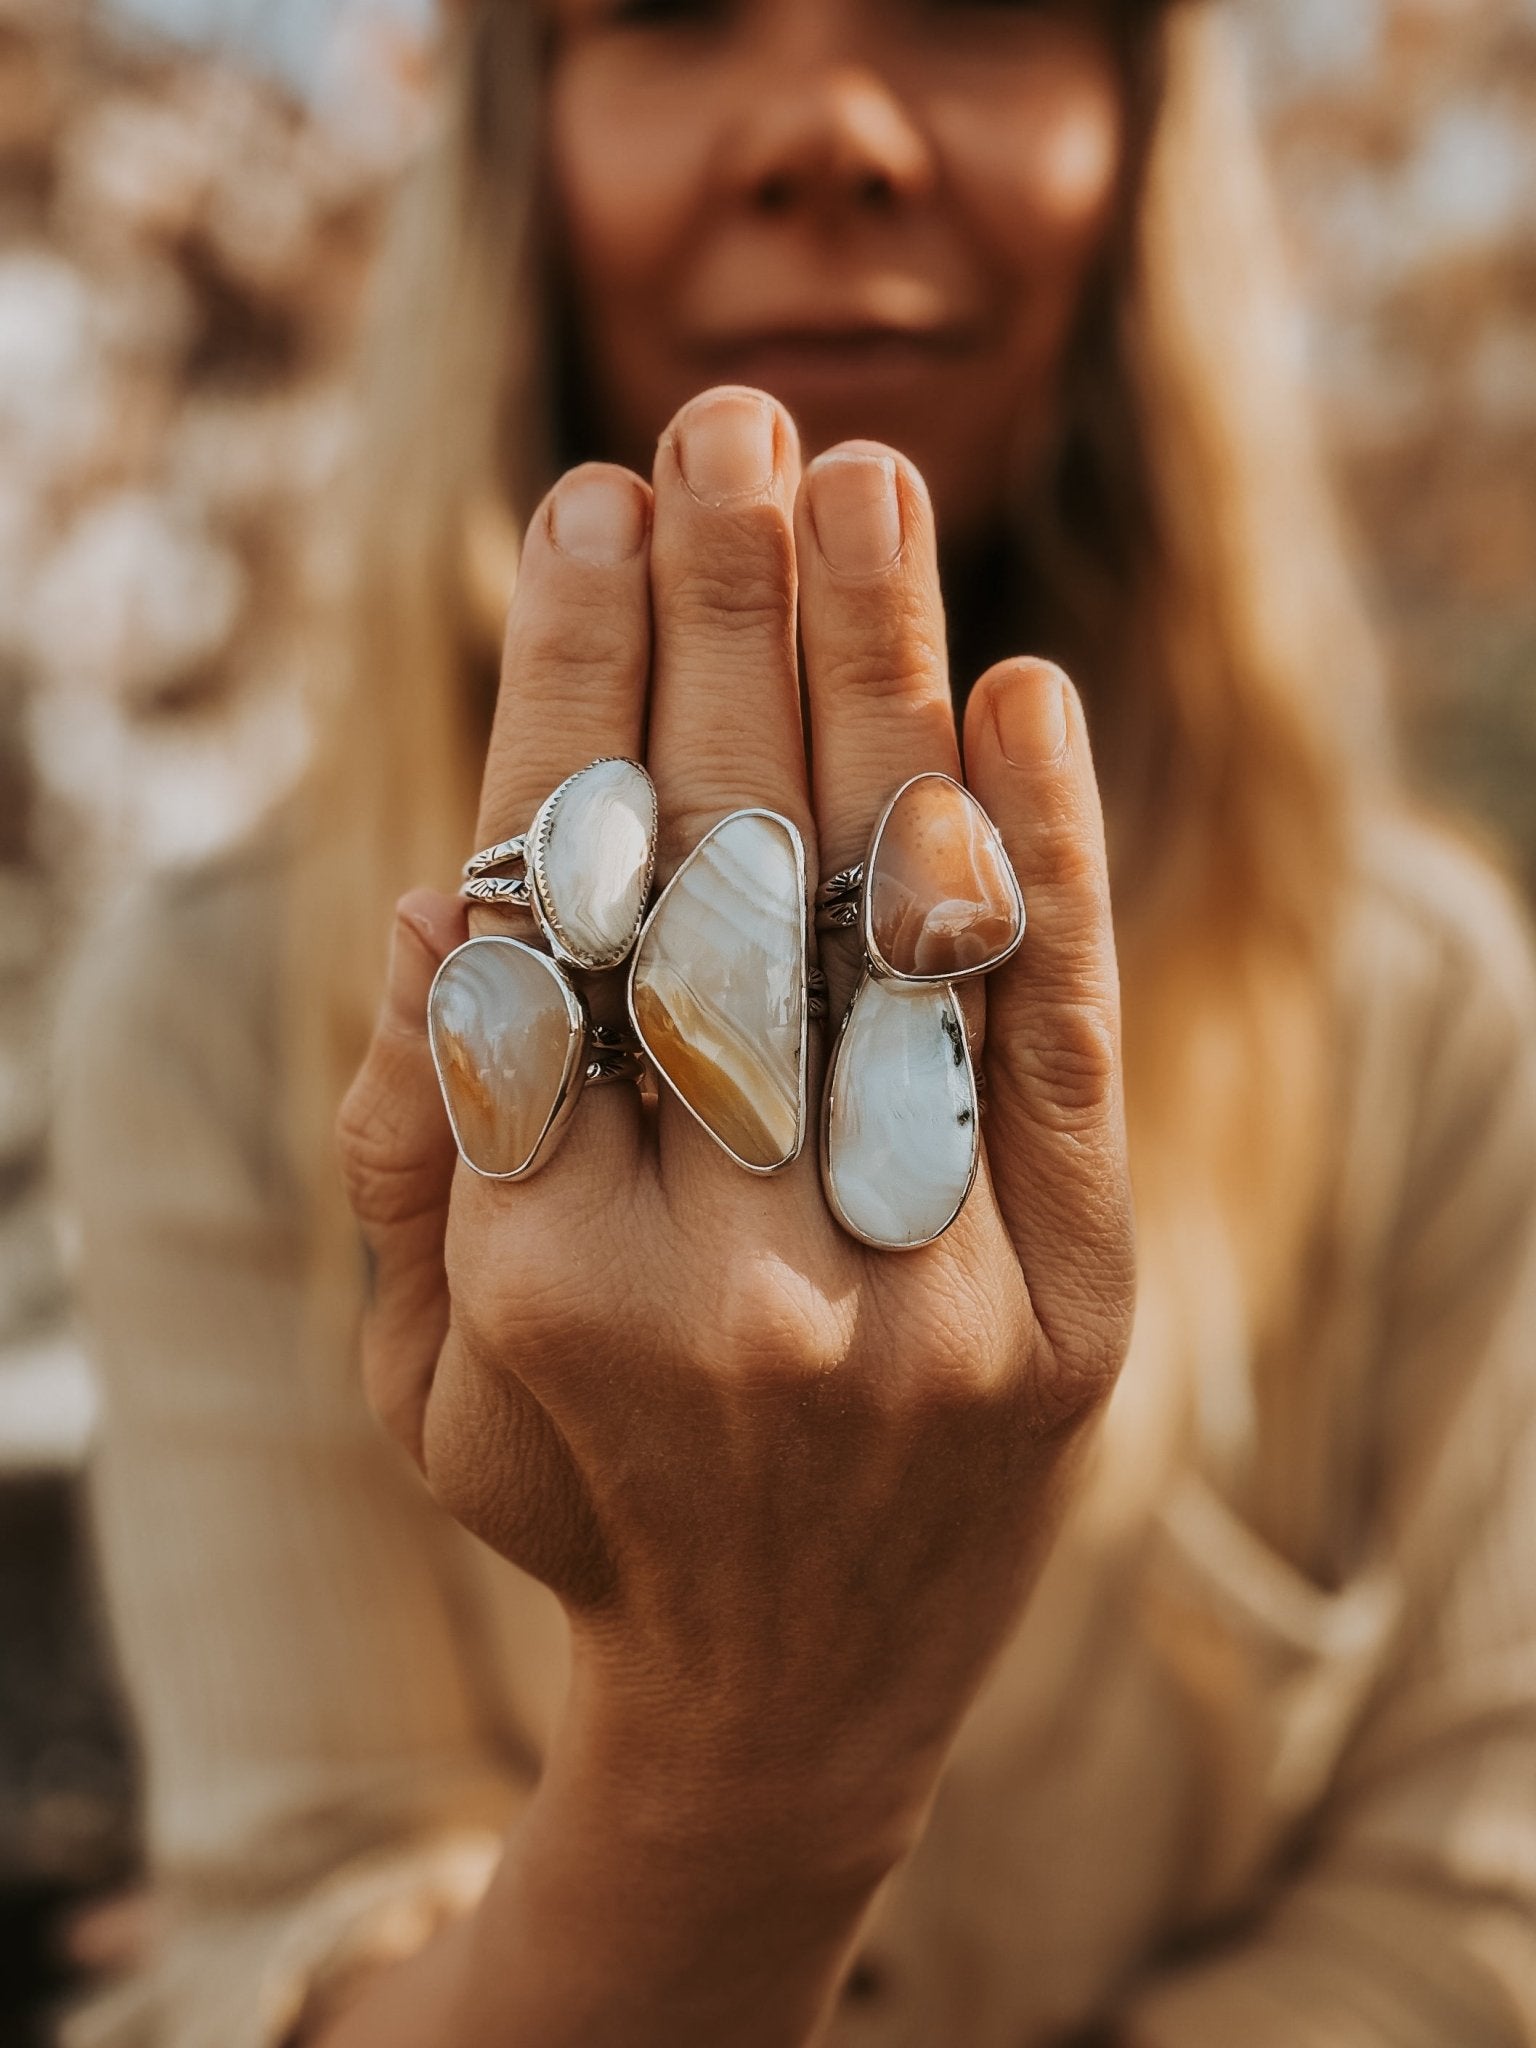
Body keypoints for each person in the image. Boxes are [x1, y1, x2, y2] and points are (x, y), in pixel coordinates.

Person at [58, 1, 1536, 2044]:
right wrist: (740, 1765)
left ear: (1138, 134)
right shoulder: (213, 1027)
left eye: (973, 8)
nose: (831, 125)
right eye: (669, 10)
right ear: (521, 144)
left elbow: (1477, 1932)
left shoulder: (1435, 1016)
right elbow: (286, 1945)